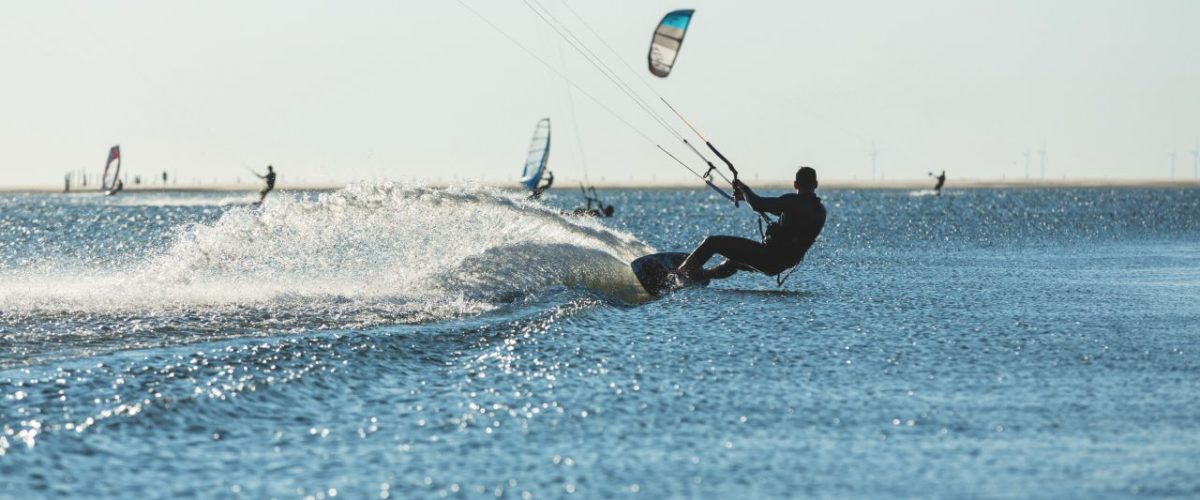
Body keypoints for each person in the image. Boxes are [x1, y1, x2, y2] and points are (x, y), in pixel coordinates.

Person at [677, 167, 826, 283]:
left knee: (712, 242)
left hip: (769, 257)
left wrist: (744, 188)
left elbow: (758, 204)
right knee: (733, 261)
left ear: (795, 184)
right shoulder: (820, 210)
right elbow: (780, 212)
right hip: (783, 264)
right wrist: (745, 197)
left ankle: (677, 276)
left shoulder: (792, 202)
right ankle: (701, 276)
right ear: (816, 184)